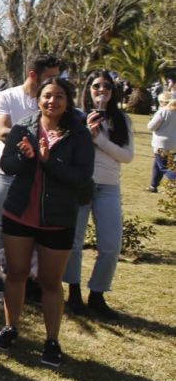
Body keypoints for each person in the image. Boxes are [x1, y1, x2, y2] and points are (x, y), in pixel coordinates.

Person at [0, 77, 94, 368]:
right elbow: (6, 165)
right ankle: (10, 328)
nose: (52, 101)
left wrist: (50, 162)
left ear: (68, 101)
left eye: (59, 96)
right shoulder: (24, 126)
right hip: (20, 214)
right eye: (47, 95)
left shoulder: (79, 134)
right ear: (38, 99)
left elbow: (82, 178)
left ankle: (51, 341)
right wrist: (25, 158)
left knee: (50, 282)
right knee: (16, 274)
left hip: (57, 219)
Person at [0, 53, 63, 302]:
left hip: (43, 175)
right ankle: (1, 277)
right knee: (2, 225)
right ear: (33, 75)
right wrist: (33, 140)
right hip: (9, 173)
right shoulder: (7, 97)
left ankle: (31, 280)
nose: (55, 82)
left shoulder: (52, 99)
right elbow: (2, 130)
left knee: (36, 226)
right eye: (50, 77)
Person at [65, 70, 133, 320]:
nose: (101, 90)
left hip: (109, 188)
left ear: (113, 91)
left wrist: (101, 140)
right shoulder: (77, 116)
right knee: (74, 243)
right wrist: (85, 132)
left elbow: (127, 156)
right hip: (81, 185)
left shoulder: (121, 120)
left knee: (111, 245)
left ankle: (97, 294)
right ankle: (73, 293)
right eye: (96, 86)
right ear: (88, 90)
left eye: (106, 86)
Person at [146, 93, 176, 193]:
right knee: (158, 164)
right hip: (173, 144)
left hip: (162, 144)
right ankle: (153, 185)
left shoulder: (162, 111)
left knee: (163, 167)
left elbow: (151, 126)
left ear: (163, 102)